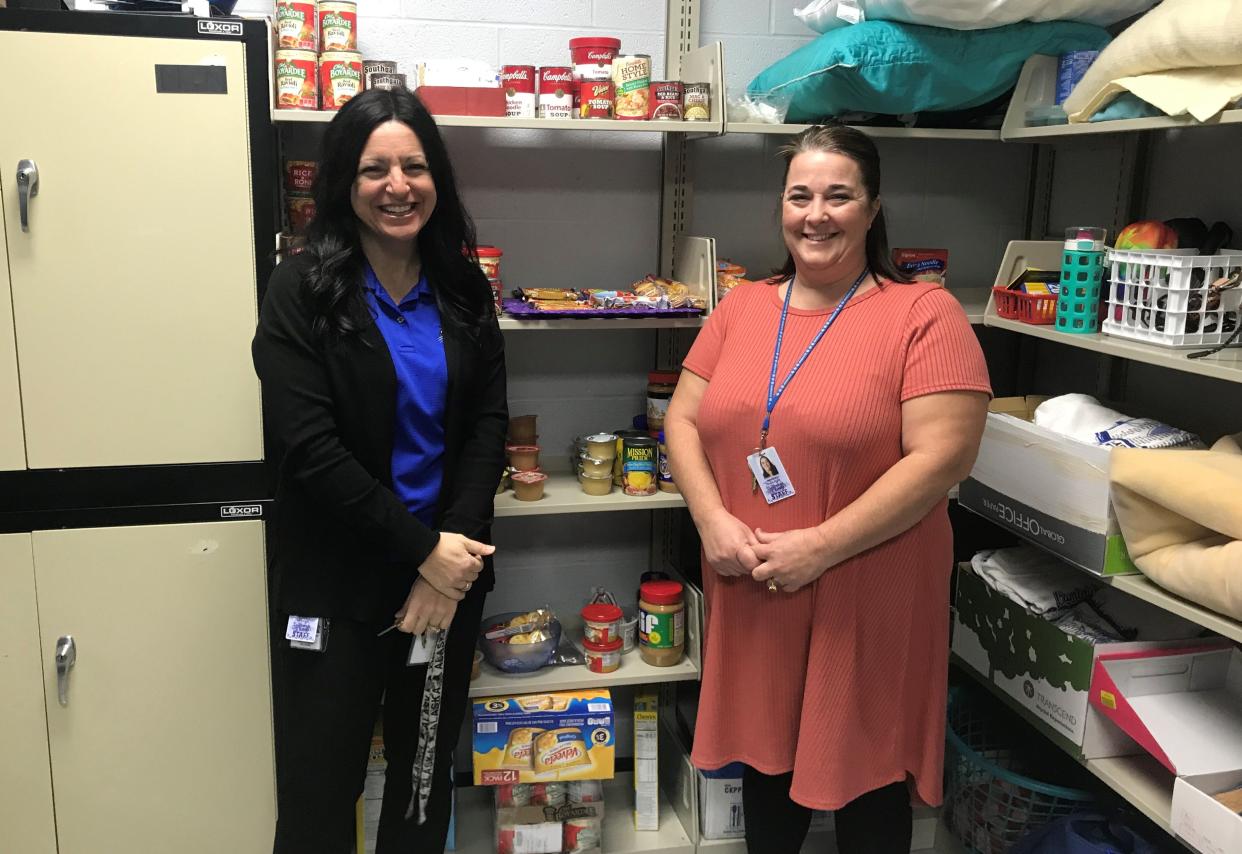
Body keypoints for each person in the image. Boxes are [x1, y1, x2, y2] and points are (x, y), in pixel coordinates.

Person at [665, 124, 991, 854]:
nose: (816, 214)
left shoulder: (922, 314)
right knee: (766, 761)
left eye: (839, 196)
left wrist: (819, 547)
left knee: (867, 777)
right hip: (751, 578)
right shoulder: (744, 305)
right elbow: (682, 420)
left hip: (865, 588)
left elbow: (944, 458)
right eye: (800, 195)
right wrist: (711, 518)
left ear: (873, 210)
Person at [252, 88, 506, 854]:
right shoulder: (302, 289)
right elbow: (310, 450)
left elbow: (487, 427)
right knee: (321, 790)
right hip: (336, 586)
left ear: (438, 180)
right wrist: (421, 552)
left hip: (444, 584)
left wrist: (445, 560)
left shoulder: (463, 289)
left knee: (422, 786)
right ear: (343, 182)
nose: (398, 185)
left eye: (415, 166)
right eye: (375, 169)